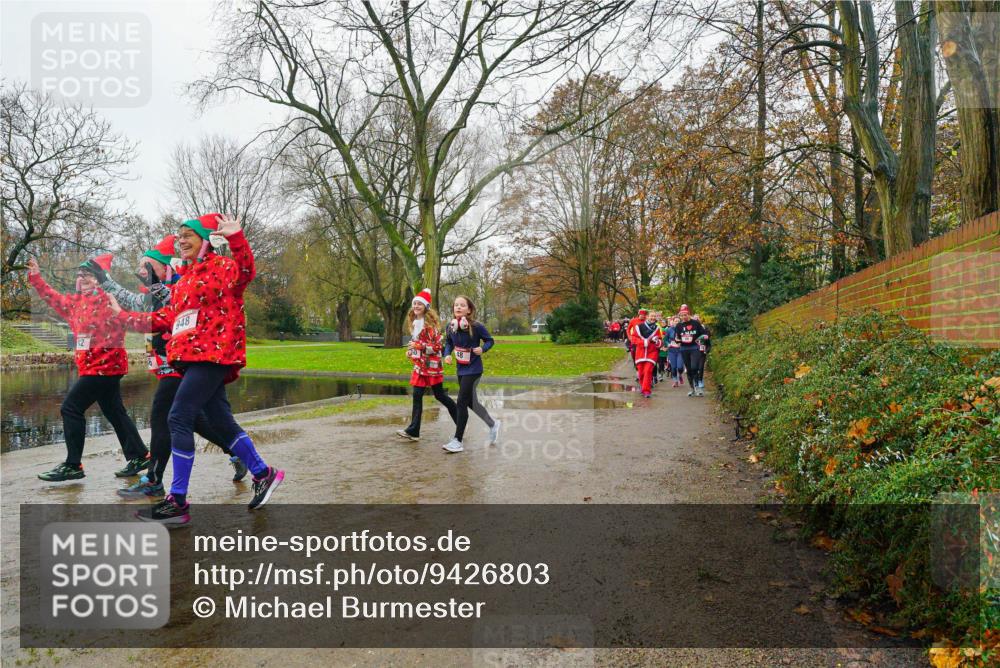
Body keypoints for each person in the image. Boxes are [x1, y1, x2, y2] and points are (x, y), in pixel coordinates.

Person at [113, 213, 283, 524]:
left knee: (178, 416)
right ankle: (263, 472)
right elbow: (165, 318)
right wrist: (122, 317)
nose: (181, 240)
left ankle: (176, 501)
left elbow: (246, 271)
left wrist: (236, 238)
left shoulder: (223, 267)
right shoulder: (185, 279)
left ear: (206, 240)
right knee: (221, 423)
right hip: (190, 358)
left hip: (214, 355)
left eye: (188, 235)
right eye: (179, 237)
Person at [87, 235, 248, 498]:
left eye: (147, 266)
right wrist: (106, 281)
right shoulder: (153, 292)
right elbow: (132, 302)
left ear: (165, 267)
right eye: (141, 267)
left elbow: (175, 301)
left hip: (184, 363)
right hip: (167, 364)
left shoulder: (180, 284)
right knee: (193, 419)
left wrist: (153, 283)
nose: (141, 272)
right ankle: (238, 453)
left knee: (162, 416)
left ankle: (154, 479)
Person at [27, 254, 150, 481]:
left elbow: (136, 308)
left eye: (88, 274)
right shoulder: (75, 302)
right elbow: (51, 297)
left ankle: (73, 465)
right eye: (80, 274)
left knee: (70, 408)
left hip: (106, 366)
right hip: (90, 368)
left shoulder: (111, 298)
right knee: (114, 411)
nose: (82, 278)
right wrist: (36, 278)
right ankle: (139, 455)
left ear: (100, 278)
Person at [396, 289, 458, 441]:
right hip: (420, 366)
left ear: (426, 306)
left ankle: (460, 421)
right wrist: (410, 351)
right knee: (417, 396)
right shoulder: (416, 323)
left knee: (440, 395)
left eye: (419, 304)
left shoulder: (431, 327)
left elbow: (438, 347)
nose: (416, 306)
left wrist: (420, 347)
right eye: (415, 303)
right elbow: (416, 345)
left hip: (432, 367)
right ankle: (413, 431)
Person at [441, 295, 500, 453]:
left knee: (461, 401)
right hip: (461, 369)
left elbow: (490, 340)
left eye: (462, 305)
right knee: (470, 403)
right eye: (456, 305)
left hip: (474, 370)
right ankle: (493, 424)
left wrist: (483, 349)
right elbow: (449, 342)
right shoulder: (450, 326)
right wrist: (447, 354)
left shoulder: (476, 326)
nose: (458, 307)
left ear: (469, 310)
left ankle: (457, 440)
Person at [674, 305, 708, 397]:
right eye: (681, 315)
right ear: (680, 316)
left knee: (694, 367)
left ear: (689, 314)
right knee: (689, 369)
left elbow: (704, 334)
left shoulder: (695, 323)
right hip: (684, 348)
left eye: (685, 315)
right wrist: (678, 340)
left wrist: (702, 338)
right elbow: (676, 337)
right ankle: (692, 388)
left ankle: (697, 387)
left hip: (694, 347)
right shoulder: (679, 325)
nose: (683, 317)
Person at [632, 309, 661, 398]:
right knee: (641, 372)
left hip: (652, 352)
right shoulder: (639, 327)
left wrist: (657, 342)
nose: (653, 318)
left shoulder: (657, 328)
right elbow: (634, 339)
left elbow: (660, 339)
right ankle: (643, 387)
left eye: (654, 316)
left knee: (648, 371)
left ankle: (646, 390)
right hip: (640, 352)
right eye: (651, 316)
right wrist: (643, 342)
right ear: (647, 317)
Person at [666, 316, 684, 388]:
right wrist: (668, 344)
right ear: (673, 322)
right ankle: (675, 381)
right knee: (673, 367)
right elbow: (665, 339)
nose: (677, 322)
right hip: (672, 350)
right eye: (675, 321)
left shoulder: (683, 329)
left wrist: (682, 343)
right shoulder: (669, 330)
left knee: (679, 367)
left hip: (680, 350)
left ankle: (680, 374)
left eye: (678, 321)